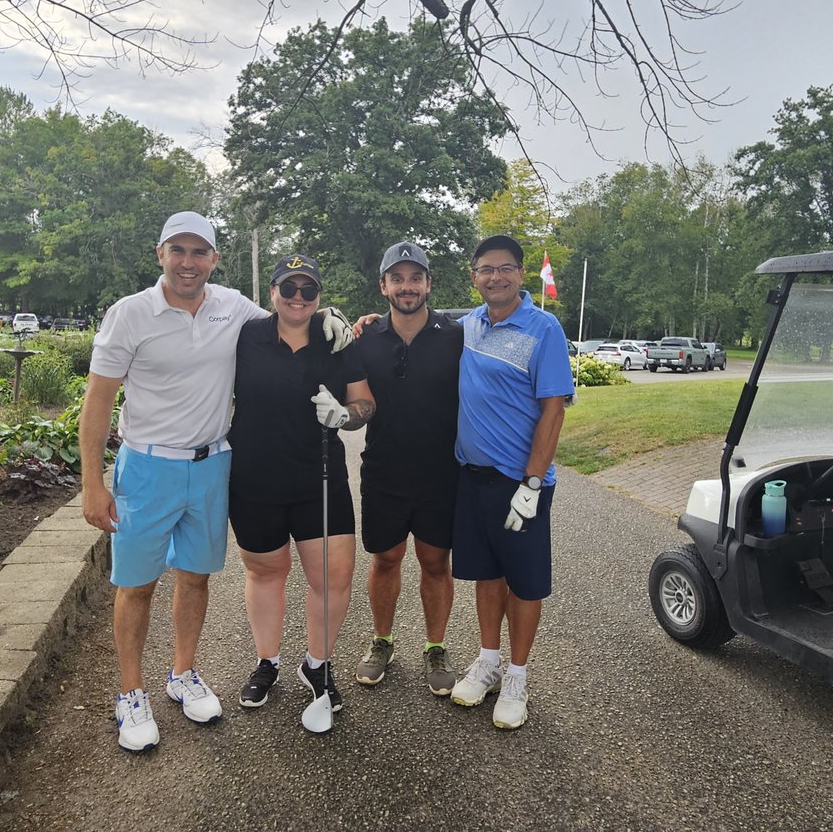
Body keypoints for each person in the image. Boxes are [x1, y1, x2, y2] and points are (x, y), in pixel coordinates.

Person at [79, 214, 352, 752]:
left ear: (214, 259)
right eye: (178, 250)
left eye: (199, 252)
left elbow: (293, 313)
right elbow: (98, 399)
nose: (188, 262)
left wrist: (336, 317)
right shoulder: (129, 314)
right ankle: (131, 694)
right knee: (135, 585)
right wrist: (93, 480)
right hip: (149, 464)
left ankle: (182, 674)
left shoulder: (233, 307)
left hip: (211, 465)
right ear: (160, 253)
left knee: (195, 578)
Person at [228, 254, 375, 716]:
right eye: (287, 288)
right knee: (266, 573)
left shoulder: (338, 341)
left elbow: (364, 403)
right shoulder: (246, 334)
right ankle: (267, 661)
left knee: (332, 579)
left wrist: (345, 416)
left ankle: (317, 665)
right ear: (272, 293)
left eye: (308, 290)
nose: (297, 297)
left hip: (321, 478)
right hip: (254, 479)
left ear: (318, 296)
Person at [448, 234, 574, 730]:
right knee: (486, 574)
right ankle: (488, 662)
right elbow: (416, 327)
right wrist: (367, 323)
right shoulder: (467, 326)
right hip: (472, 478)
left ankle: (518, 676)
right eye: (485, 269)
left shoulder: (544, 329)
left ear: (520, 275)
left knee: (523, 583)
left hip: (521, 483)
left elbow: (553, 411)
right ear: (474, 275)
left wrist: (533, 481)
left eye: (505, 269)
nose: (495, 277)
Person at [352, 242, 464, 695]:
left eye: (415, 277)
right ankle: (382, 641)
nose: (407, 286)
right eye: (397, 278)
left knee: (436, 562)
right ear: (383, 286)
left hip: (441, 473)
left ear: (428, 284)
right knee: (386, 558)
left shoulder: (455, 335)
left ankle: (435, 646)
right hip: (383, 470)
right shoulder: (365, 338)